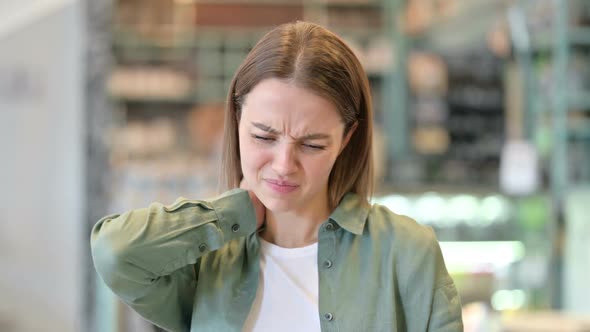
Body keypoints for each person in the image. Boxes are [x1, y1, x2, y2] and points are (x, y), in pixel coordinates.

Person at [91, 21, 463, 332]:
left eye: (312, 144)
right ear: (236, 122)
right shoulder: (206, 259)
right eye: (263, 137)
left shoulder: (407, 251)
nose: (284, 165)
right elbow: (116, 253)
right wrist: (230, 215)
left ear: (347, 139)